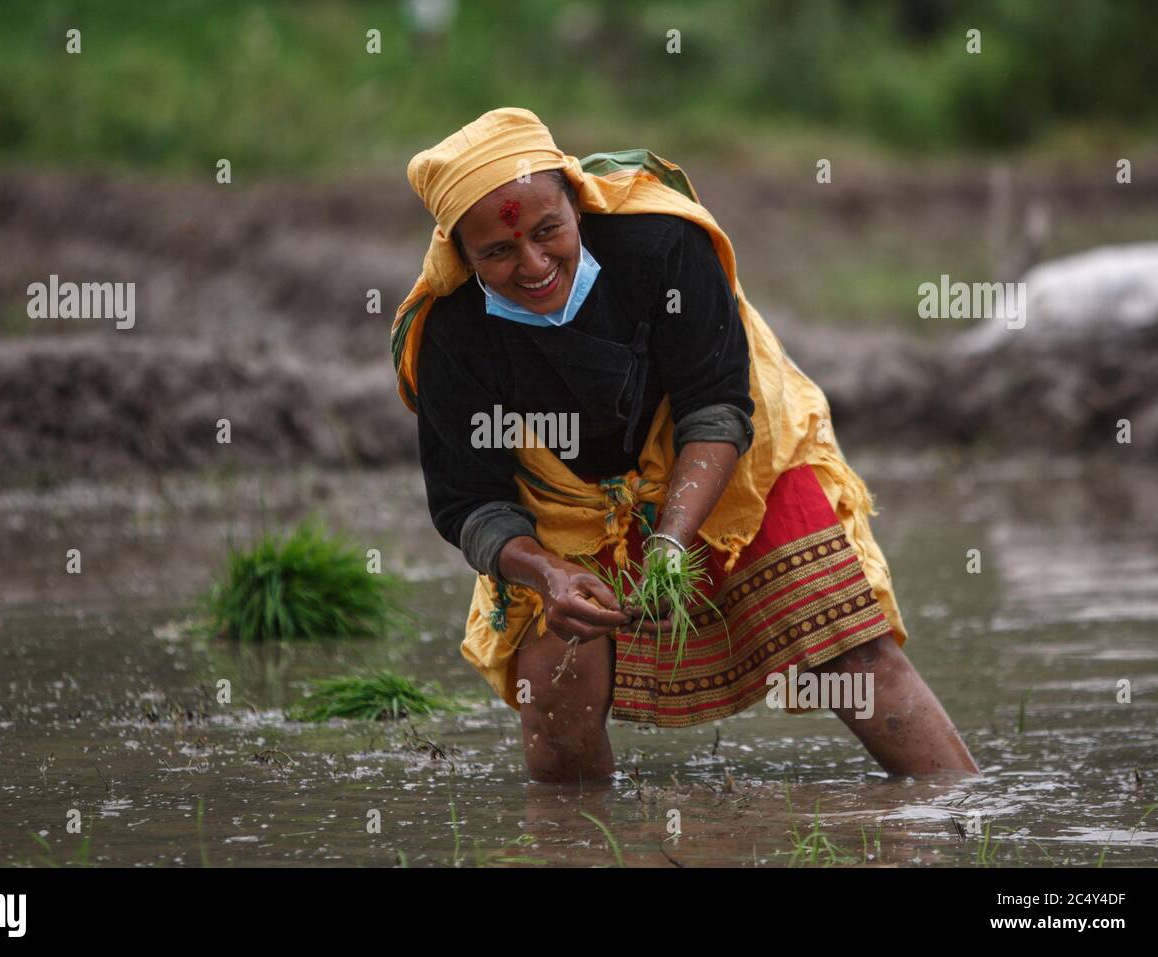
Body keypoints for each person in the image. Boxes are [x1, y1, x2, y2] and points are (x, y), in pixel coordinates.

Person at [392, 107, 978, 784]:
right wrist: (549, 576)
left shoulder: (660, 241)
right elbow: (470, 499)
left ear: (577, 202)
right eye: (498, 252)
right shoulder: (451, 335)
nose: (534, 264)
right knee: (554, 694)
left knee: (853, 647)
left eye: (550, 231)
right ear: (463, 253)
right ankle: (578, 843)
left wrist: (671, 540)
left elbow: (716, 403)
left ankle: (959, 814)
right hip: (567, 508)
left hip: (721, 461)